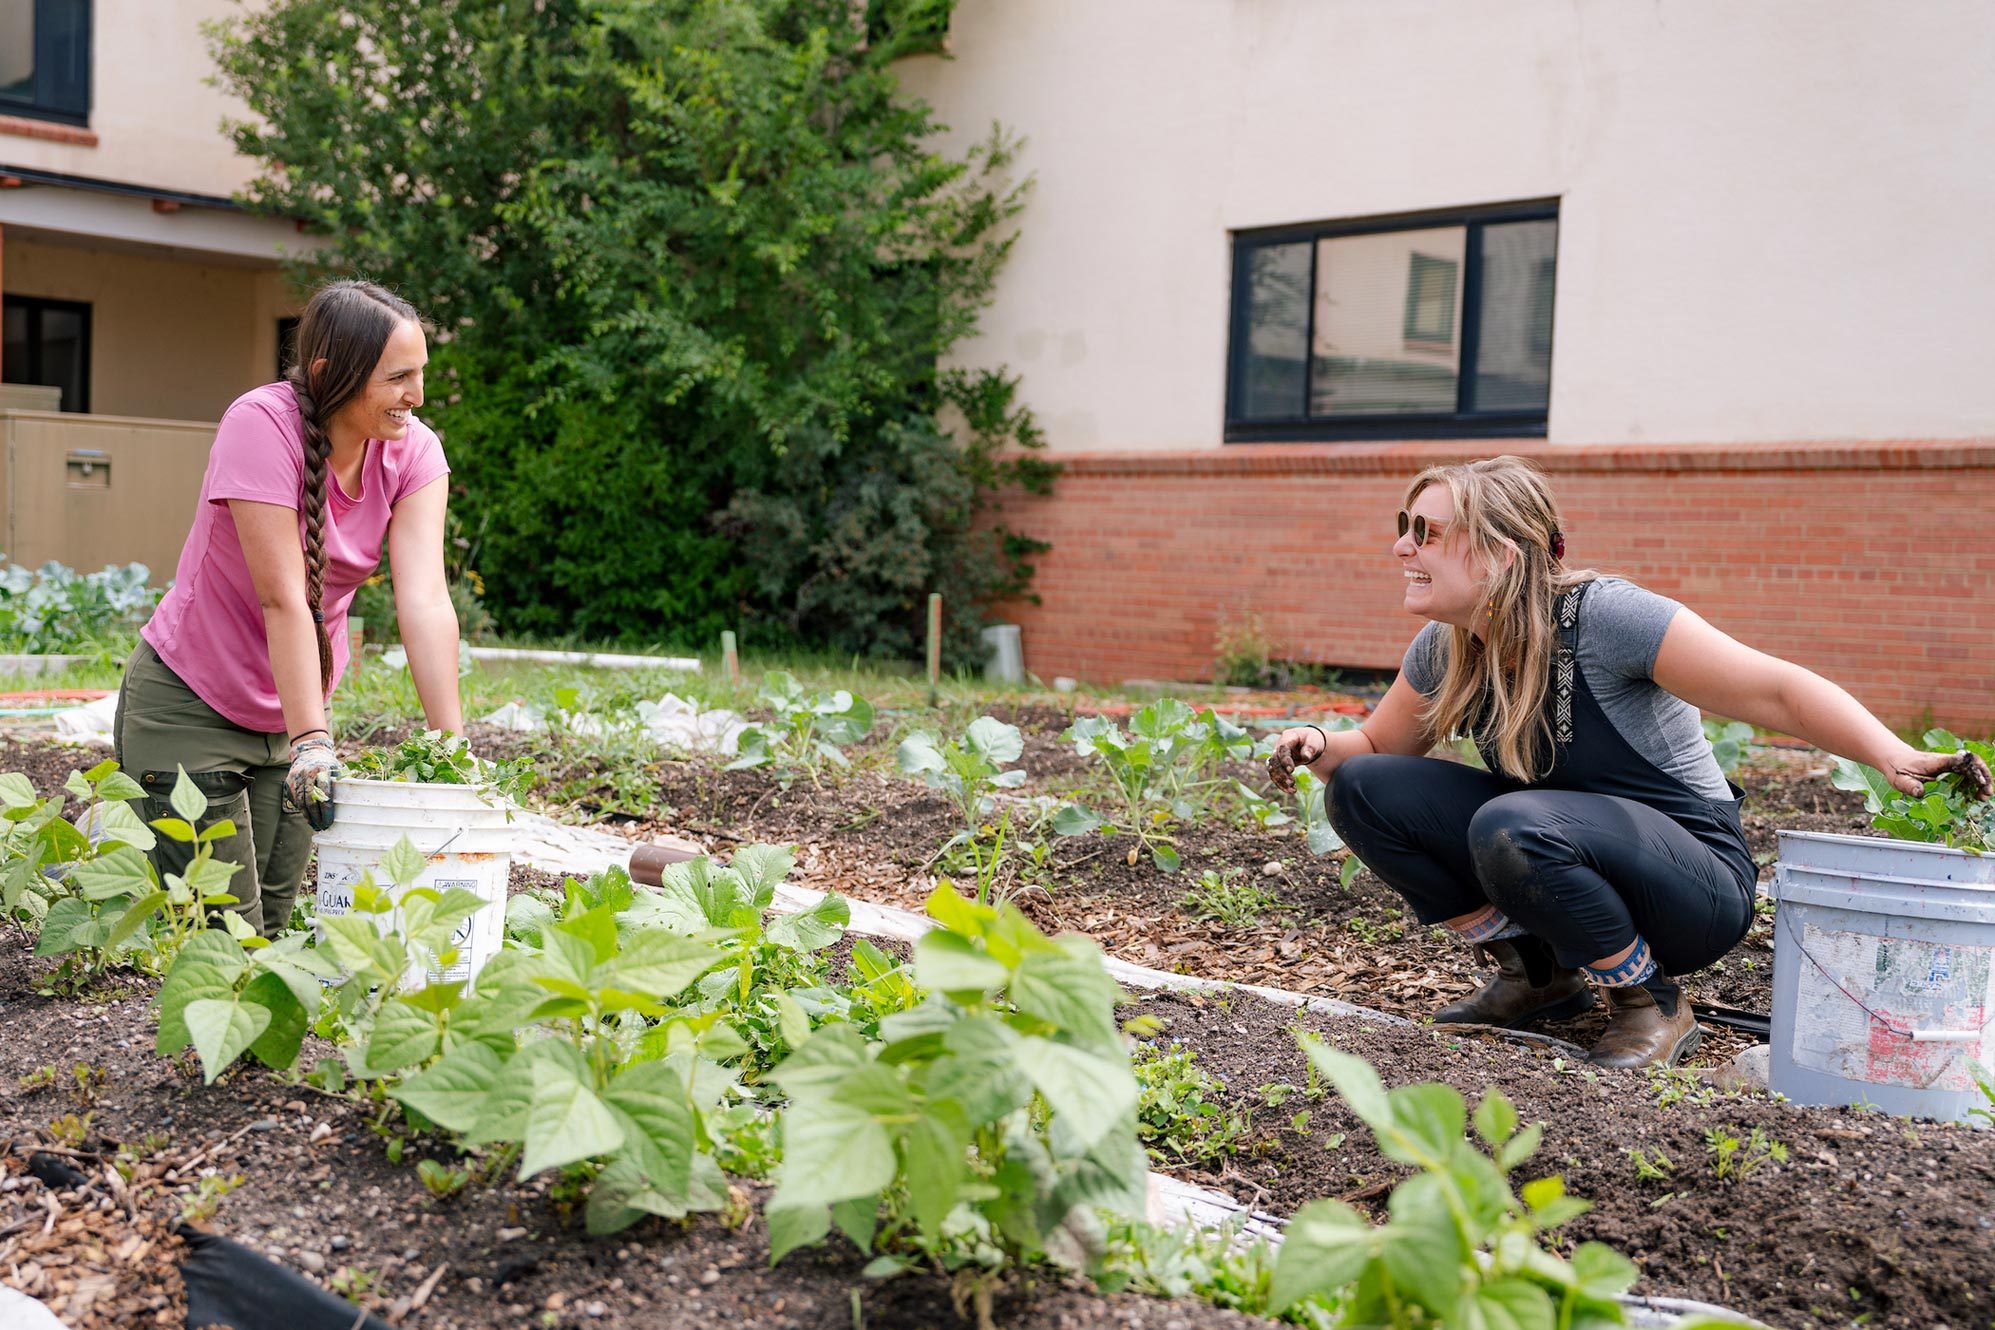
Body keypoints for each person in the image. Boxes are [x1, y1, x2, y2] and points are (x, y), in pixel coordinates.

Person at [1265, 456, 1991, 1069]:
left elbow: (1775, 688)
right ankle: (1539, 978)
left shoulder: (1607, 619)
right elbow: (1378, 755)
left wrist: (1890, 753)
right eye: (1402, 529)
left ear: (1498, 555)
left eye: (1423, 532)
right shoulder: (1448, 648)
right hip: (1554, 852)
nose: (1401, 548)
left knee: (1513, 821)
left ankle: (1652, 1003)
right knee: (1361, 789)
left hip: (1691, 889)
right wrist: (1318, 747)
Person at [112, 279, 464, 939]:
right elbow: (284, 598)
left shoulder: (413, 450)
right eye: (398, 378)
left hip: (291, 714)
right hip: (192, 707)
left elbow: (425, 600)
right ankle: (116, 835)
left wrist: (454, 754)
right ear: (333, 374)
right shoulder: (260, 423)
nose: (416, 396)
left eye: (420, 374)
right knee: (222, 942)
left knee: (269, 941)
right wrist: (314, 742)